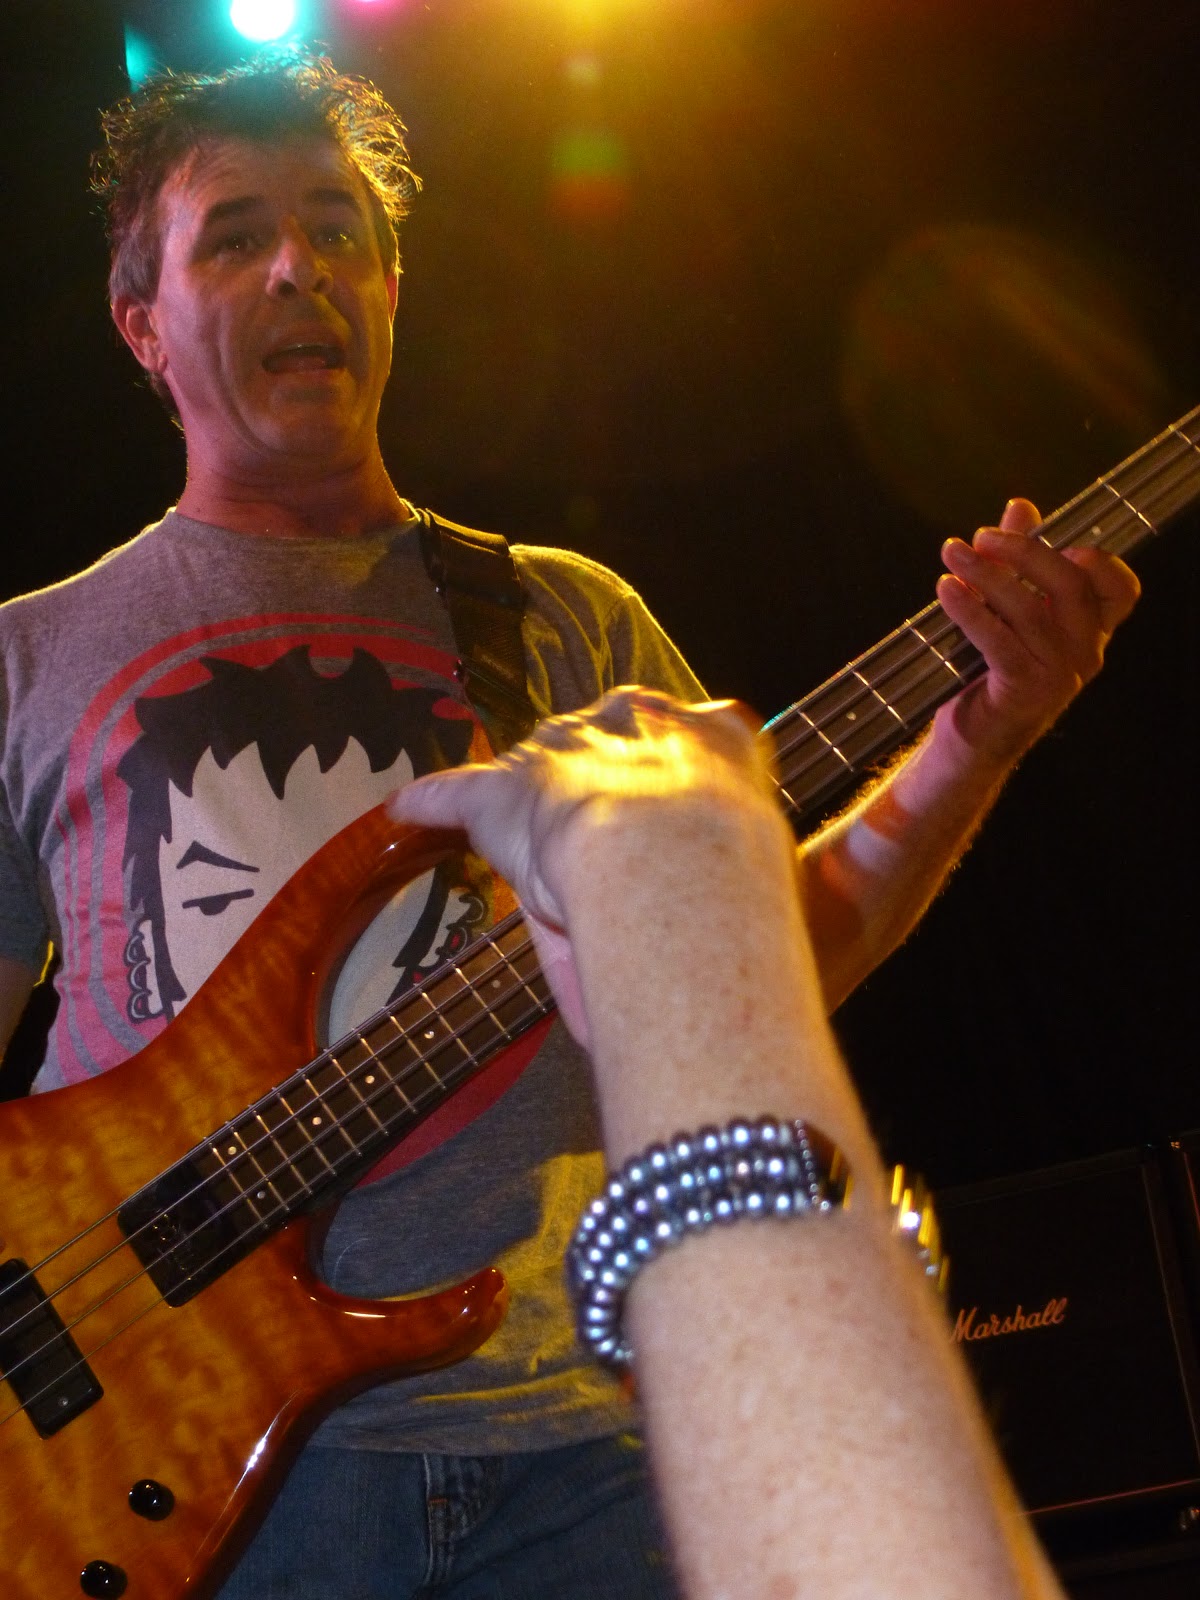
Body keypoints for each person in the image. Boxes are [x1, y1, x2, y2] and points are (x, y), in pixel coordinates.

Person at [0, 47, 1136, 1600]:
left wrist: (979, 735)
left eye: (338, 229)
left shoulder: (562, 620)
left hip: (583, 1450)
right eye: (236, 236)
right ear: (142, 322)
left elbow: (756, 968)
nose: (299, 269)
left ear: (392, 285)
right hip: (186, 1471)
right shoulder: (29, 657)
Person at [392, 686, 1067, 1599]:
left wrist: (656, 892)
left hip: (580, 1418)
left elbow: (777, 950)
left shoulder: (555, 622)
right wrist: (654, 875)